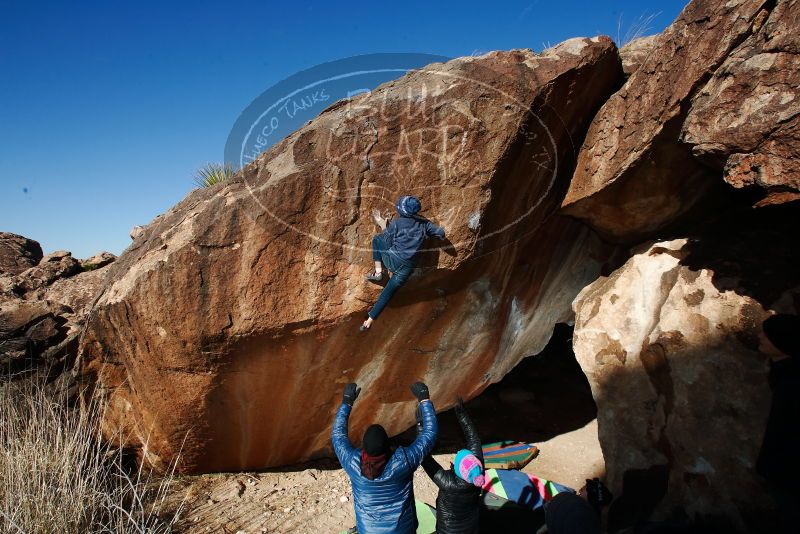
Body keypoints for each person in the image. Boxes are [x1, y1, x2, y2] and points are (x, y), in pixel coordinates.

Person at [332, 381, 438, 534]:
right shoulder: (404, 461)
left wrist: (347, 402)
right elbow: (430, 434)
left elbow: (338, 436)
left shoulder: (352, 463)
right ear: (387, 446)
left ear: (364, 447)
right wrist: (424, 400)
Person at [361, 195, 446, 331]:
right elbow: (441, 232)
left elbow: (387, 241)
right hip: (407, 268)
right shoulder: (425, 224)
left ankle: (378, 272)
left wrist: (383, 224)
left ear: (401, 211)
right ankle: (369, 321)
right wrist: (438, 235)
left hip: (393, 261)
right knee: (388, 292)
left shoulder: (397, 223)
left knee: (377, 239)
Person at [421, 399, 484, 534]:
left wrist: (421, 426)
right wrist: (461, 413)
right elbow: (474, 440)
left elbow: (425, 459)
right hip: (471, 529)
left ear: (457, 469)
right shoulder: (478, 472)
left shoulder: (449, 483)